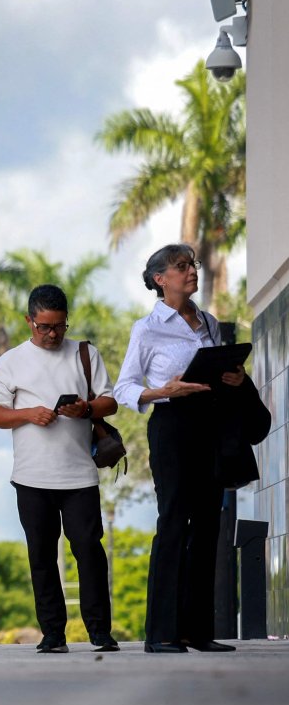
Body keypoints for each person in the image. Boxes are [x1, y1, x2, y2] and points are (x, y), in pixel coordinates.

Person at [113, 243, 245, 653]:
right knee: (173, 521)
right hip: (172, 425)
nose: (192, 272)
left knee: (208, 525)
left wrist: (236, 378)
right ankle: (162, 633)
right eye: (181, 267)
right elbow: (123, 389)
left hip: (211, 426)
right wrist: (163, 390)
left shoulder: (207, 321)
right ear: (160, 279)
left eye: (193, 265)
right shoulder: (147, 328)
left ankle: (197, 631)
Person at [0, 286, 119, 653]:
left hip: (79, 475)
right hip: (31, 476)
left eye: (59, 326)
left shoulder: (85, 353)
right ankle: (53, 633)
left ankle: (99, 631)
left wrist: (86, 410)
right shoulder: (11, 361)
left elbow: (110, 402)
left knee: (89, 550)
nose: (52, 334)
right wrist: (28, 413)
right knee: (41, 555)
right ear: (28, 320)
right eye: (44, 326)